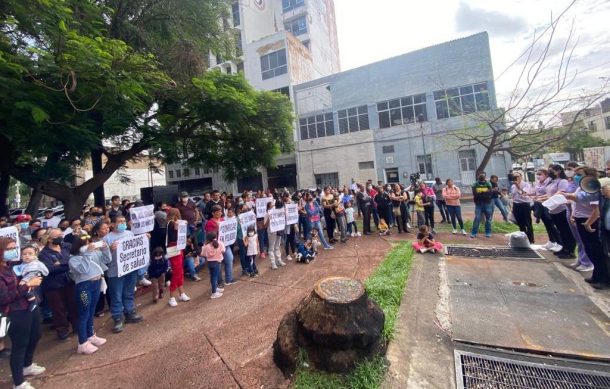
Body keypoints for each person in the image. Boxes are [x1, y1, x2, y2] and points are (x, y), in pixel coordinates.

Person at [0, 238, 45, 389]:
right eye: (9, 249)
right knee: (20, 345)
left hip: (30, 305)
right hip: (15, 311)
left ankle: (27, 365)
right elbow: (4, 297)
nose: (13, 251)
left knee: (36, 334)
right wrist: (27, 285)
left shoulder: (13, 265)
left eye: (14, 247)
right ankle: (19, 382)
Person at [562, 167, 609, 289]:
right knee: (589, 248)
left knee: (597, 251)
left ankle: (603, 279)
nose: (577, 176)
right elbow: (582, 198)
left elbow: (595, 209)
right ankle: (597, 276)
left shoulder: (598, 187)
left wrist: (589, 222)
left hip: (592, 222)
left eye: (580, 174)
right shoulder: (585, 188)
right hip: (584, 220)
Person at [68, 234, 111, 354]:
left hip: (96, 284)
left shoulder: (93, 253)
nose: (88, 246)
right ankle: (82, 342)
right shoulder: (73, 260)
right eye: (85, 244)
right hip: (84, 287)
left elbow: (107, 260)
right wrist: (87, 253)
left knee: (91, 311)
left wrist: (105, 248)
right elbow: (84, 270)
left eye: (89, 243)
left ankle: (90, 335)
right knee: (84, 314)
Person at [103, 216, 143, 333]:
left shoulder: (130, 233)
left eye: (124, 221)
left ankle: (130, 313)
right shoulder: (107, 239)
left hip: (130, 269)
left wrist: (144, 239)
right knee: (116, 296)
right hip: (115, 272)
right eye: (120, 222)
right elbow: (103, 259)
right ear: (113, 224)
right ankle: (117, 318)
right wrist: (110, 250)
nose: (122, 223)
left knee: (129, 292)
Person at [38, 229, 79, 340]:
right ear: (50, 239)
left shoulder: (67, 246)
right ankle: (62, 331)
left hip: (69, 280)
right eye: (58, 236)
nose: (61, 237)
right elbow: (50, 269)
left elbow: (75, 258)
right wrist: (68, 263)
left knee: (74, 305)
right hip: (53, 285)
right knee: (58, 309)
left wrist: (60, 264)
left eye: (61, 235)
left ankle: (77, 327)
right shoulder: (43, 254)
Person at [540, 164, 576, 259]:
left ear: (559, 171)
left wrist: (549, 199)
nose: (550, 172)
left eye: (552, 170)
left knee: (566, 230)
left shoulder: (563, 181)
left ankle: (570, 250)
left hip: (561, 209)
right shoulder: (552, 181)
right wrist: (542, 198)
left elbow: (561, 192)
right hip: (553, 209)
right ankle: (564, 248)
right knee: (561, 230)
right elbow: (548, 193)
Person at [564, 162, 593, 271]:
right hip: (577, 216)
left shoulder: (590, 187)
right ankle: (581, 259)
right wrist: (572, 215)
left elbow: (592, 206)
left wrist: (569, 196)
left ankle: (588, 263)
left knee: (586, 241)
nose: (576, 176)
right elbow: (574, 203)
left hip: (586, 217)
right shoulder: (580, 187)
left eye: (579, 174)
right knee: (579, 240)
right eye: (575, 174)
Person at [165, 208, 191, 307]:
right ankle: (171, 296)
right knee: (177, 272)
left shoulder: (172, 223)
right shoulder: (171, 223)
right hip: (174, 248)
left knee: (180, 271)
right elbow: (176, 227)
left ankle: (181, 293)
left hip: (178, 247)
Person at [205, 205, 236, 286]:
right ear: (213, 213)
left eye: (220, 211)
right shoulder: (209, 223)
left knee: (229, 259)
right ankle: (220, 281)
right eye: (217, 212)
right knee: (218, 263)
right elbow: (209, 235)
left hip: (225, 243)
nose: (220, 213)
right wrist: (217, 228)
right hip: (216, 246)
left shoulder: (222, 219)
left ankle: (229, 279)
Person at [13, 245, 48, 312]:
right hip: (27, 283)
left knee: (23, 287)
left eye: (30, 254)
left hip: (31, 279)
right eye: (24, 254)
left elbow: (42, 272)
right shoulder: (21, 264)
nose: (27, 256)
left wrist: (24, 281)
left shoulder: (36, 264)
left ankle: (33, 301)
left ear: (35, 255)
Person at [510, 171, 534, 243]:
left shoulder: (526, 185)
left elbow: (523, 193)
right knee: (520, 223)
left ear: (521, 177)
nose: (516, 178)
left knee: (528, 223)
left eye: (517, 176)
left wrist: (518, 186)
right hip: (516, 205)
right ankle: (523, 239)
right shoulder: (512, 186)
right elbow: (513, 196)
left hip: (524, 204)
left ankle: (531, 239)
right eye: (514, 176)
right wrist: (512, 207)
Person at [201, 232, 225, 299]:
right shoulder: (220, 243)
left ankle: (215, 288)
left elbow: (203, 254)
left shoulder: (206, 246)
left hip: (210, 263)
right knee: (215, 277)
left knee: (212, 277)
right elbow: (223, 251)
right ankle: (214, 293)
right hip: (217, 262)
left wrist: (204, 245)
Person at [470, 173, 493, 239]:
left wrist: (480, 192)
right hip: (478, 204)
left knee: (488, 218)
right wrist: (485, 191)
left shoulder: (488, 183)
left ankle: (488, 232)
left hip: (487, 203)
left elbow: (490, 192)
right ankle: (474, 233)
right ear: (478, 177)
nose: (481, 177)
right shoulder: (475, 184)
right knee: (477, 218)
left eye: (483, 176)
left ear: (485, 178)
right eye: (480, 176)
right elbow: (475, 193)